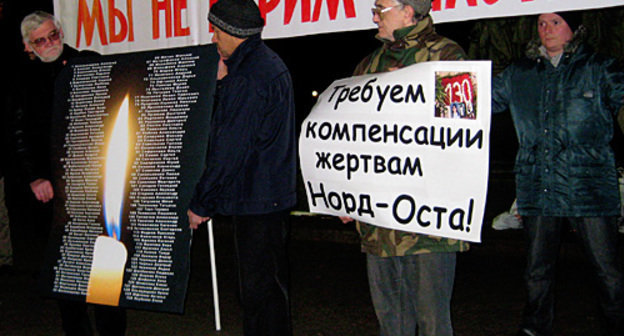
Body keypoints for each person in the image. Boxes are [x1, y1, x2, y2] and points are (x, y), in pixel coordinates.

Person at [492, 12, 624, 336]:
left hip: (590, 187)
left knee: (608, 272)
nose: (546, 30)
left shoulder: (599, 68)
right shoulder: (519, 74)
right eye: (540, 23)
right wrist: (424, 83)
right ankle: (534, 328)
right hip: (538, 187)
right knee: (537, 270)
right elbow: (471, 99)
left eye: (555, 22)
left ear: (574, 28)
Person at [341, 1, 469, 335]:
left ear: (407, 12)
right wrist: (346, 194)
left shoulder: (447, 56)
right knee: (391, 324)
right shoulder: (369, 65)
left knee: (432, 323)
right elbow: (349, 137)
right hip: (379, 221)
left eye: (380, 7)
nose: (374, 15)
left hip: (429, 225)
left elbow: (462, 130)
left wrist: (409, 91)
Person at [187, 0, 297, 334]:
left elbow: (229, 148)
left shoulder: (248, 77)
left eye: (217, 31)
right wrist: (224, 82)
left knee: (258, 297)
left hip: (257, 200)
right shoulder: (263, 65)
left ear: (232, 33)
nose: (213, 39)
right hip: (268, 198)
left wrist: (202, 202)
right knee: (269, 293)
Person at [15, 11, 126, 335]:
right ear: (28, 46)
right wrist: (34, 176)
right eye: (41, 40)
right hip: (54, 190)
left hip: (95, 184)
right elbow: (18, 132)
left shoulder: (85, 61)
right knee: (68, 270)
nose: (50, 43)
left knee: (106, 266)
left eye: (53, 35)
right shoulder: (23, 78)